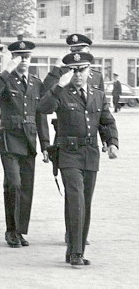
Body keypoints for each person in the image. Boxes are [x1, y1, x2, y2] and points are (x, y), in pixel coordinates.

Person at [38, 52, 118, 266]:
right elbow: (43, 108)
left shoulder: (97, 94)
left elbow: (106, 121)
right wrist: (58, 86)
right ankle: (76, 252)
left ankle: (76, 249)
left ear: (89, 70)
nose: (78, 74)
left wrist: (112, 142)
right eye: (73, 70)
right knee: (76, 200)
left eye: (82, 69)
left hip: (90, 154)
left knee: (86, 203)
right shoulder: (61, 92)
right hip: (68, 154)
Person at [0, 40, 51, 248]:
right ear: (12, 58)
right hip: (9, 139)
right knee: (13, 184)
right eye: (19, 57)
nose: (23, 60)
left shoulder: (35, 83)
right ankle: (11, 230)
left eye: (26, 57)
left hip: (29, 140)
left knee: (26, 187)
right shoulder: (6, 79)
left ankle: (20, 231)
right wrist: (7, 69)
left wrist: (45, 145)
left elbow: (40, 115)